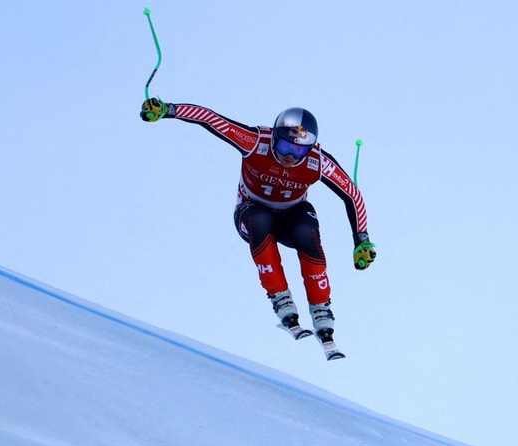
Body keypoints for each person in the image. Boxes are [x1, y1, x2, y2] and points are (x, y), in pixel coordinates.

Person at [140, 99, 376, 359]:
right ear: (274, 137)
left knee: (306, 228)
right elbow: (211, 119)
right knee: (260, 219)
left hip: (289, 219)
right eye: (285, 146)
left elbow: (352, 194)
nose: (290, 156)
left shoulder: (317, 161)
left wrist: (361, 239)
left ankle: (321, 308)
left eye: (299, 151)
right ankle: (280, 298)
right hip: (251, 212)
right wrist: (168, 110)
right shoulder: (255, 142)